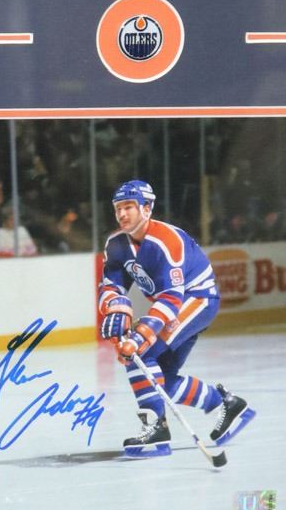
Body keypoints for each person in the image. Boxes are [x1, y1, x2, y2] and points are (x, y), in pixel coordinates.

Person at [98, 179, 255, 456]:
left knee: (139, 352)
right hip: (175, 305)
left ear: (147, 208)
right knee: (159, 380)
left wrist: (140, 335)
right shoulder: (116, 244)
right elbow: (110, 285)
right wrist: (116, 305)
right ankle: (227, 404)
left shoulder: (166, 240)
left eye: (129, 207)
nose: (122, 213)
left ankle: (156, 429)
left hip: (198, 300)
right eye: (118, 208)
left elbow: (171, 298)